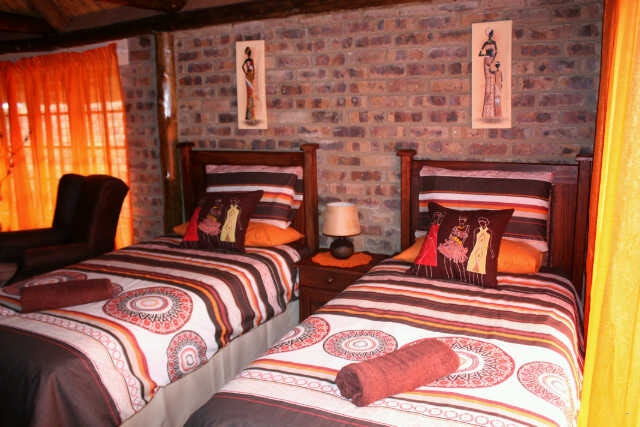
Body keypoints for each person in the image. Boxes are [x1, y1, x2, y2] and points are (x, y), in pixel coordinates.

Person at [242, 46, 256, 122]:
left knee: (250, 94)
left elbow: (243, 67)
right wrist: (252, 75)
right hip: (249, 76)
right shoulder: (250, 60)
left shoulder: (248, 60)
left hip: (248, 76)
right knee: (250, 94)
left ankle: (250, 115)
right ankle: (250, 115)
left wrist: (246, 73)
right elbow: (253, 69)